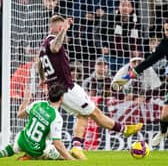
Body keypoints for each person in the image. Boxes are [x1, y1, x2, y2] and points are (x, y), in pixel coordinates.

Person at [38, 15, 143, 159]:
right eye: (62, 27)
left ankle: (76, 147)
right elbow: (55, 47)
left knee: (83, 115)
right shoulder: (51, 41)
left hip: (56, 89)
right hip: (67, 88)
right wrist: (65, 30)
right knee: (95, 112)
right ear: (58, 27)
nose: (65, 31)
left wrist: (42, 78)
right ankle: (125, 129)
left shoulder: (43, 45)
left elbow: (39, 63)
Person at [0, 84, 75, 160]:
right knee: (63, 156)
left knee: (14, 146)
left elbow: (19, 115)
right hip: (37, 150)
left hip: (22, 140)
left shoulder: (37, 104)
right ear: (61, 98)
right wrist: (72, 160)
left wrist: (26, 100)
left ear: (48, 96)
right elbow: (57, 144)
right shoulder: (56, 117)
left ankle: (12, 152)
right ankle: (29, 157)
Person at [123, 25, 168, 146]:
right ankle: (163, 132)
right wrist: (133, 72)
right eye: (166, 30)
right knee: (164, 116)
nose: (167, 32)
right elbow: (150, 61)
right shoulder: (164, 45)